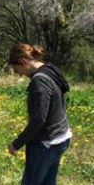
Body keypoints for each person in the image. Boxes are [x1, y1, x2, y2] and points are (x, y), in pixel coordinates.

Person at [7, 43, 72, 185]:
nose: (19, 74)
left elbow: (39, 119)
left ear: (23, 62)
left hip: (46, 144)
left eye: (17, 69)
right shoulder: (49, 69)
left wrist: (16, 144)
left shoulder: (39, 83)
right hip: (61, 137)